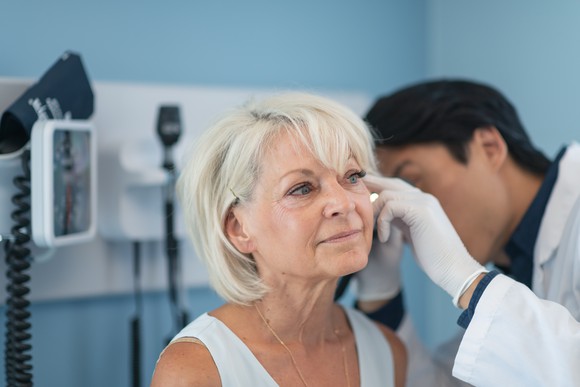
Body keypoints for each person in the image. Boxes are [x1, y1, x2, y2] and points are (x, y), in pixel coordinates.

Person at [150, 92, 407, 387]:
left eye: (351, 176)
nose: (344, 202)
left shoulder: (387, 352)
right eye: (302, 189)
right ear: (239, 229)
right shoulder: (196, 369)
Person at [355, 79, 580, 386]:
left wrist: (467, 280)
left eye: (412, 183)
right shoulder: (520, 269)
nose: (407, 213)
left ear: (489, 147)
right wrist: (380, 295)